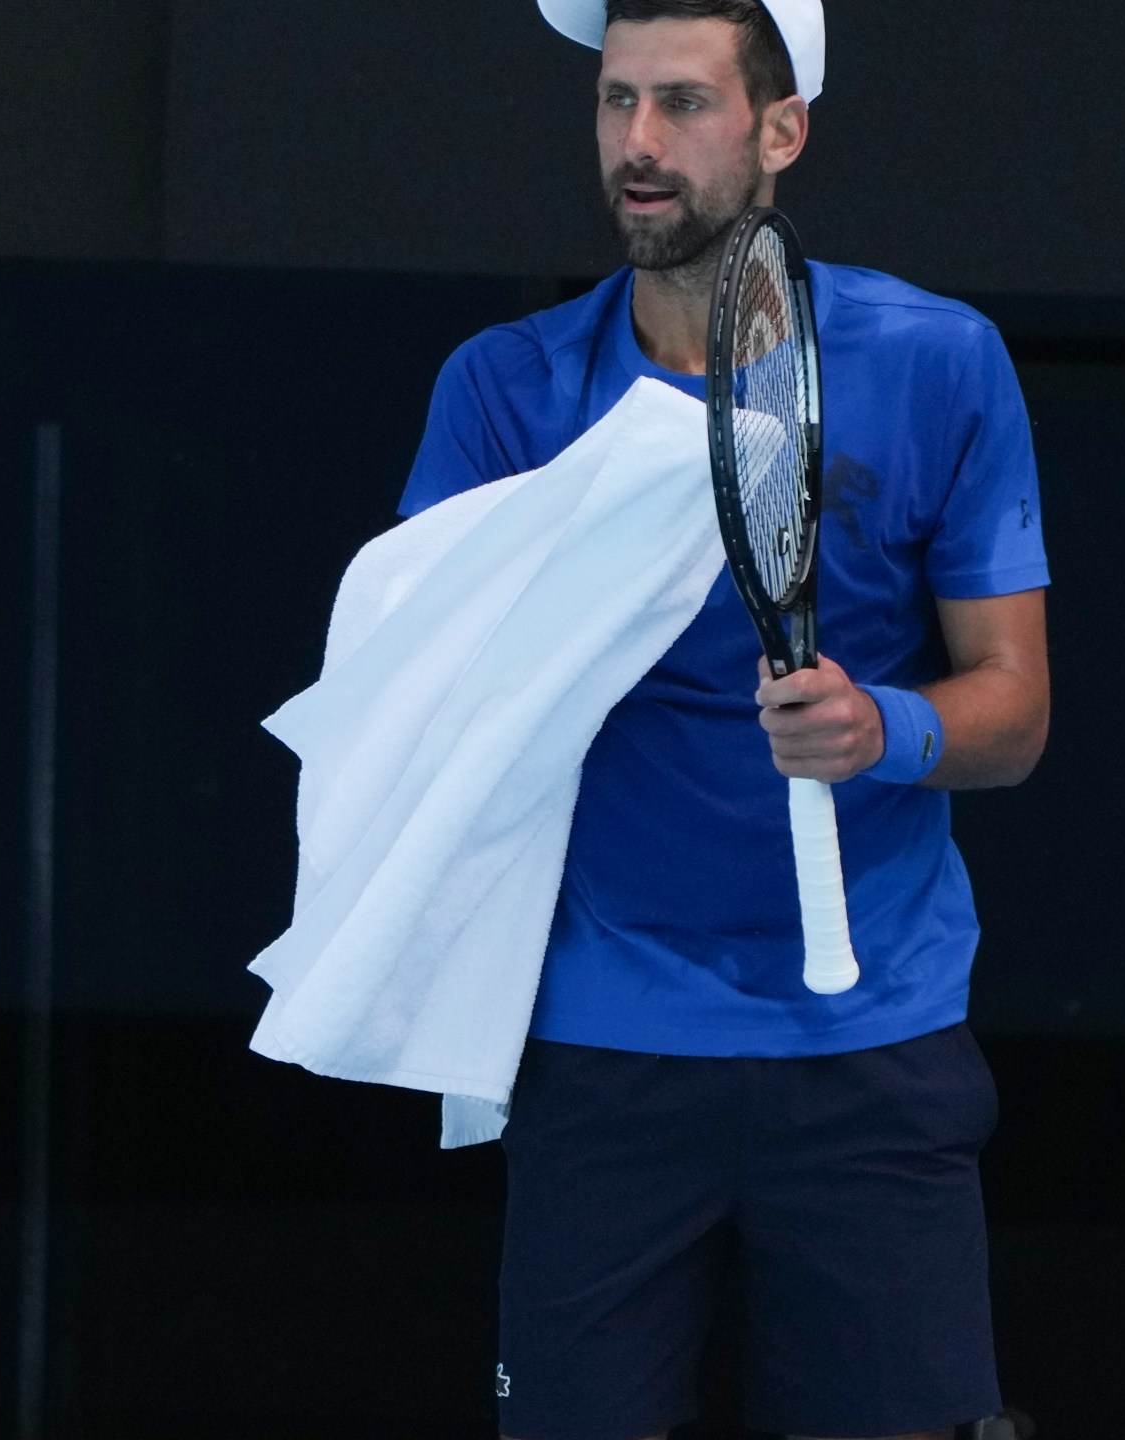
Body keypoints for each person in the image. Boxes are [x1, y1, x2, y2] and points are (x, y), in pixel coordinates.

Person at [404, 4, 1051, 1438]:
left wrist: (883, 729)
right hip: (599, 1054)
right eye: (616, 101)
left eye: (684, 105)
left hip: (874, 1054)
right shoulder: (502, 394)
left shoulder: (942, 363)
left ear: (780, 129)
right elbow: (423, 704)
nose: (638, 145)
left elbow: (1013, 710)